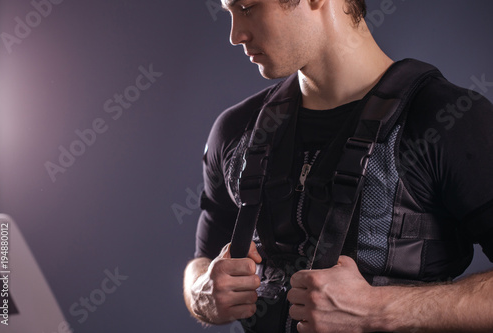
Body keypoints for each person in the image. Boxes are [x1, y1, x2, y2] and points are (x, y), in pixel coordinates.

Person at [183, 0, 493, 332]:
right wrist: (201, 291)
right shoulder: (237, 130)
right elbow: (201, 263)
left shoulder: (450, 121)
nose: (235, 34)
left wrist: (379, 310)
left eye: (246, 7)